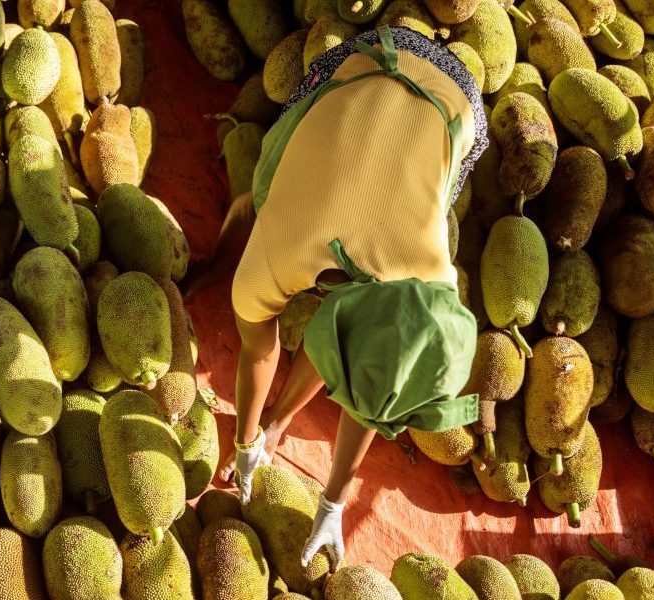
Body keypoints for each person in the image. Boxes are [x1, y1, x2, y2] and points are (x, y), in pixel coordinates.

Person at [202, 26, 490, 570]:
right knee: (275, 160)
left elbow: (372, 395)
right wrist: (244, 441)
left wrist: (333, 503)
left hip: (451, 108)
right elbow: (258, 352)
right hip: (378, 59)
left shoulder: (432, 288)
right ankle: (272, 426)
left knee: (364, 342)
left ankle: (281, 423)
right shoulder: (275, 255)